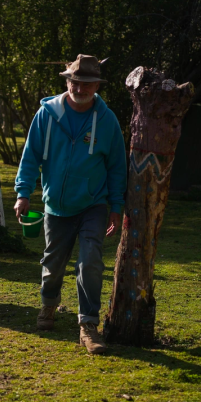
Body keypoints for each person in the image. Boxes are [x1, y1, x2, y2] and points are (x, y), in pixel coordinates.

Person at [14, 54, 127, 354]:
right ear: (68, 81)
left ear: (97, 86)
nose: (81, 88)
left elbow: (117, 166)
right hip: (56, 205)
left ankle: (88, 325)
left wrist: (116, 206)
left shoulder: (107, 121)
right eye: (76, 82)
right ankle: (49, 305)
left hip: (93, 204)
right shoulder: (46, 115)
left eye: (88, 84)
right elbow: (31, 156)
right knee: (53, 265)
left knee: (90, 260)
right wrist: (23, 193)